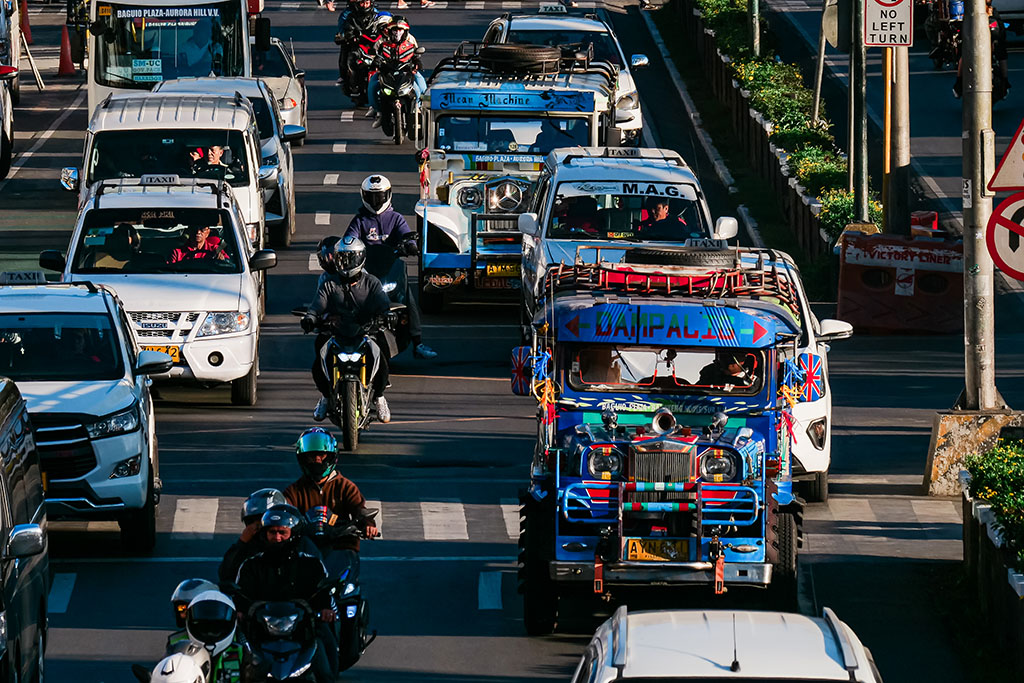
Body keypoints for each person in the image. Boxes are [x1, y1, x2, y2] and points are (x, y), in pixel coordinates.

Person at [235, 507, 336, 683]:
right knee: (235, 668)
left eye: (283, 532)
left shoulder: (311, 565)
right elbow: (241, 594)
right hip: (260, 632)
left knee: (327, 671)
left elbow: (322, 591)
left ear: (294, 534)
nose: (277, 537)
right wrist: (240, 611)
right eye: (272, 532)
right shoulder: (251, 565)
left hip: (302, 631)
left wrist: (325, 608)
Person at [344, 175, 437, 359]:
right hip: (366, 273)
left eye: (379, 196)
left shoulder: (396, 218)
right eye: (371, 197)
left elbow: (407, 236)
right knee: (346, 298)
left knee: (408, 300)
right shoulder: (359, 220)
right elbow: (349, 240)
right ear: (363, 196)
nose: (376, 201)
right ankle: (345, 335)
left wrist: (410, 245)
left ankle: (417, 342)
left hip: (390, 270)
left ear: (388, 195)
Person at [301, 236, 392, 422]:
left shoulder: (372, 282)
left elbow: (384, 304)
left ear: (361, 259)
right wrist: (310, 319)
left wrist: (387, 315)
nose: (346, 263)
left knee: (382, 351)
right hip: (336, 331)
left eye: (351, 258)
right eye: (342, 258)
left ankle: (380, 397)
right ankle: (326, 397)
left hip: (365, 331)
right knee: (318, 357)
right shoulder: (329, 284)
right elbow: (317, 306)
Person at [283, 428, 380, 579]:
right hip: (306, 550)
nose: (317, 460)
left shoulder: (345, 486)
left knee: (349, 591)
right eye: (311, 456)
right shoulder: (294, 491)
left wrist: (368, 525)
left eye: (321, 455)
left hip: (340, 547)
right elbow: (284, 511)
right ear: (303, 458)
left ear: (330, 456)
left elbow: (359, 509)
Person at [368, 16, 427, 126]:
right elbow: (378, 56)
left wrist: (417, 65)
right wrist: (376, 64)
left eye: (400, 30)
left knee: (420, 87)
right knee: (372, 86)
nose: (397, 33)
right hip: (387, 73)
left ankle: (418, 108)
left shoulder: (410, 43)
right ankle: (379, 112)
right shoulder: (384, 45)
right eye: (395, 30)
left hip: (406, 72)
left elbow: (415, 56)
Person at [333, 0, 392, 96]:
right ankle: (350, 81)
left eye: (367, 3)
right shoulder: (349, 16)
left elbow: (385, 25)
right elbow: (346, 31)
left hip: (373, 44)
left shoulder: (376, 15)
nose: (365, 6)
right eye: (362, 3)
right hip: (357, 45)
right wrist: (349, 37)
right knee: (350, 56)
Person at [953, 0, 1008, 98]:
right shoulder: (993, 14)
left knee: (964, 53)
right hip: (988, 17)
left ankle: (958, 83)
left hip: (976, 15)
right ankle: (1005, 82)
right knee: (1002, 53)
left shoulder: (974, 13)